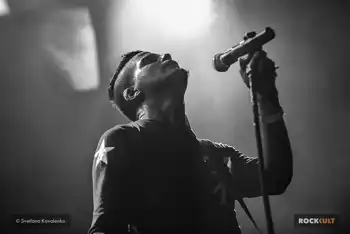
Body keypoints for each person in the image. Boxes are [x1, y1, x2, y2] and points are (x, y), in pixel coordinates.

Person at [88, 50, 293, 234]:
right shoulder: (123, 140)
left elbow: (275, 177)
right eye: (150, 60)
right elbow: (105, 227)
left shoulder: (214, 155)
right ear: (132, 92)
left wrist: (266, 97)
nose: (166, 55)